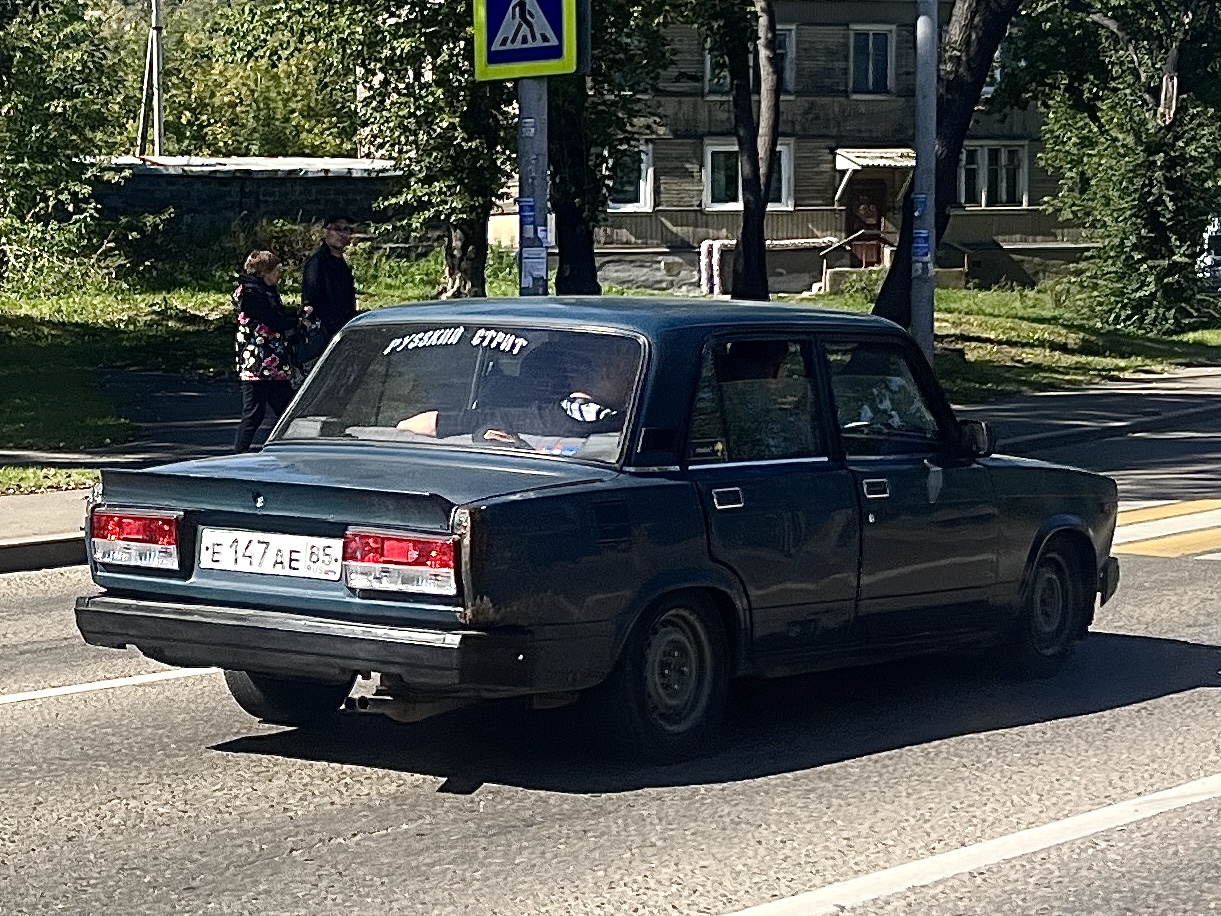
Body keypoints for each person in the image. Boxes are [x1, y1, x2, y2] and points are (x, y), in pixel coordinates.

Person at [396, 338, 638, 447]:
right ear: (602, 371)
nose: (633, 374)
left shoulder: (522, 418)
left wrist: (392, 432)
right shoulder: (630, 421)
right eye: (623, 364)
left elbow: (426, 423)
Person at [232, 250, 313, 453]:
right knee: (253, 414)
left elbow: (278, 316)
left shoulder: (268, 291)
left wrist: (295, 315)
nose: (278, 275)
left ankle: (291, 449)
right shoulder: (250, 295)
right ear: (264, 272)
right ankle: (238, 453)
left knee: (286, 409)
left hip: (274, 363)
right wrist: (296, 321)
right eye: (275, 270)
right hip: (256, 365)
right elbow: (274, 321)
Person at [301, 214, 358, 342]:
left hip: (344, 328)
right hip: (325, 332)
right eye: (337, 229)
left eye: (346, 229)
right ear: (326, 231)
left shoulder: (341, 263)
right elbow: (310, 300)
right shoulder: (317, 263)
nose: (342, 234)